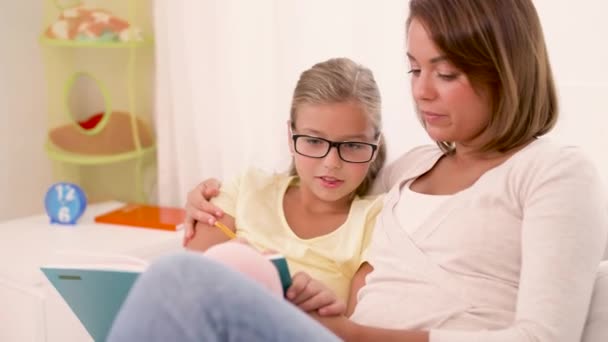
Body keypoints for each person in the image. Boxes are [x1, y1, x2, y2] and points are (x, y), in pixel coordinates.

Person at [108, 0, 608, 341]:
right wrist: (206, 200)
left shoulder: (553, 172)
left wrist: (357, 334)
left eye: (446, 72)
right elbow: (326, 174)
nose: (421, 90)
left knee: (181, 283)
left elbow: (545, 337)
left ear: (507, 70)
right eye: (414, 69)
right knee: (179, 283)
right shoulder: (408, 170)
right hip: (335, 333)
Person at [183, 57, 386, 309]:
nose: (332, 162)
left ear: (375, 146)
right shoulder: (246, 189)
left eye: (353, 145)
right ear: (291, 137)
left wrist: (328, 313)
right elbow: (183, 290)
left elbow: (359, 330)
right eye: (314, 141)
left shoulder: (378, 222)